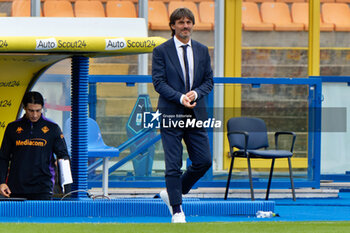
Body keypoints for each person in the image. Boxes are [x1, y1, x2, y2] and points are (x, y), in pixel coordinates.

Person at [152, 8, 213, 223]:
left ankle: (172, 193)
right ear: (172, 26)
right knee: (173, 163)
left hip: (196, 114)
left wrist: (196, 93)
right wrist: (180, 98)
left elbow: (208, 81)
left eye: (188, 22)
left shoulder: (202, 50)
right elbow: (158, 82)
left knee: (204, 160)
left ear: (193, 25)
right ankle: (177, 210)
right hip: (171, 113)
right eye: (180, 22)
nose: (185, 26)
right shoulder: (161, 51)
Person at [0, 91, 70, 200]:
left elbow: (63, 157)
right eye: (31, 111)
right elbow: (3, 157)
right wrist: (2, 182)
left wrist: (67, 187)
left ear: (42, 108)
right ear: (24, 108)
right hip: (16, 187)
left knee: (43, 217)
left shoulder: (53, 128)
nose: (35, 115)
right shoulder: (12, 128)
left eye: (38, 110)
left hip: (43, 187)